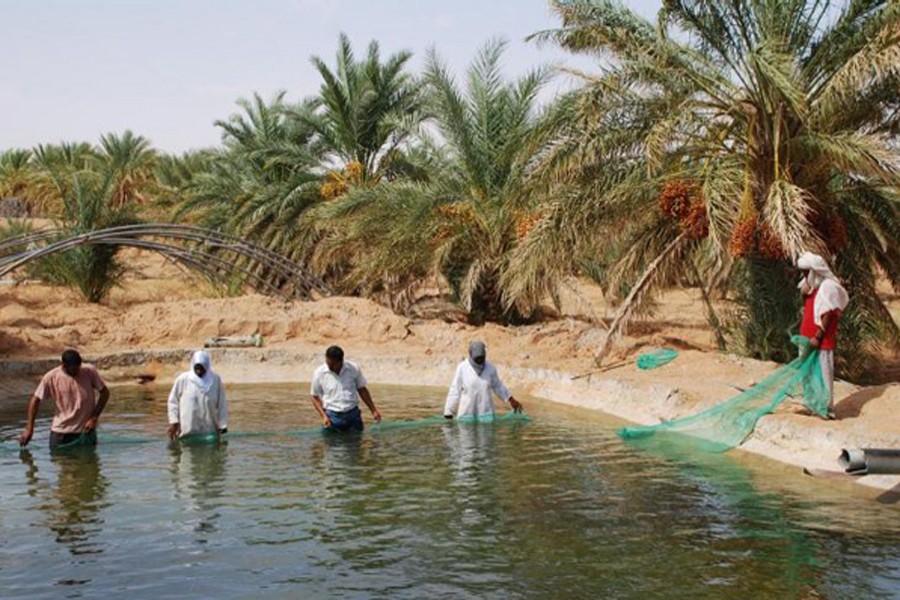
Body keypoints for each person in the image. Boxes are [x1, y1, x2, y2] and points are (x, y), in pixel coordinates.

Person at [19, 349, 110, 450]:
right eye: (73, 369)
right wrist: (29, 429)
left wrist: (94, 418)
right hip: (60, 434)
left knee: (89, 464)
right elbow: (35, 400)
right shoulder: (51, 377)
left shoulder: (89, 371)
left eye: (78, 367)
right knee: (61, 462)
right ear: (64, 366)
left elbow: (105, 393)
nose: (77, 371)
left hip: (86, 432)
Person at [797, 251, 850, 420]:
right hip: (806, 336)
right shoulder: (811, 285)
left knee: (824, 372)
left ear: (814, 271)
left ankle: (826, 408)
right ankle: (812, 404)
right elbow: (811, 307)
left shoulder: (828, 286)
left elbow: (828, 313)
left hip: (820, 340)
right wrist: (804, 294)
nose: (804, 275)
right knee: (808, 372)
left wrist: (818, 336)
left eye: (806, 272)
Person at [444, 341, 523, 419]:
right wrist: (449, 411)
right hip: (467, 414)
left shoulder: (490, 367)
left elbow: (498, 386)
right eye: (477, 358)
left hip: (486, 414)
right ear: (470, 355)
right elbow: (455, 390)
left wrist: (511, 399)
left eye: (481, 358)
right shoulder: (463, 368)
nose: (479, 361)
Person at [310, 345, 381, 432]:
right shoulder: (319, 373)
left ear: (341, 361)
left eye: (333, 365)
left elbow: (362, 389)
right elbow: (314, 396)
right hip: (332, 417)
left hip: (353, 415)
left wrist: (373, 410)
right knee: (332, 444)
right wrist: (324, 416)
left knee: (356, 443)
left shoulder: (353, 368)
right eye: (328, 363)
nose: (330, 367)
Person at [167, 350, 228, 440]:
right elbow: (173, 401)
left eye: (202, 367)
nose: (199, 370)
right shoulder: (183, 379)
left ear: (207, 366)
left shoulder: (215, 380)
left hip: (209, 433)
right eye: (197, 367)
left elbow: (222, 403)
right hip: (187, 433)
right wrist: (174, 422)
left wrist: (223, 424)